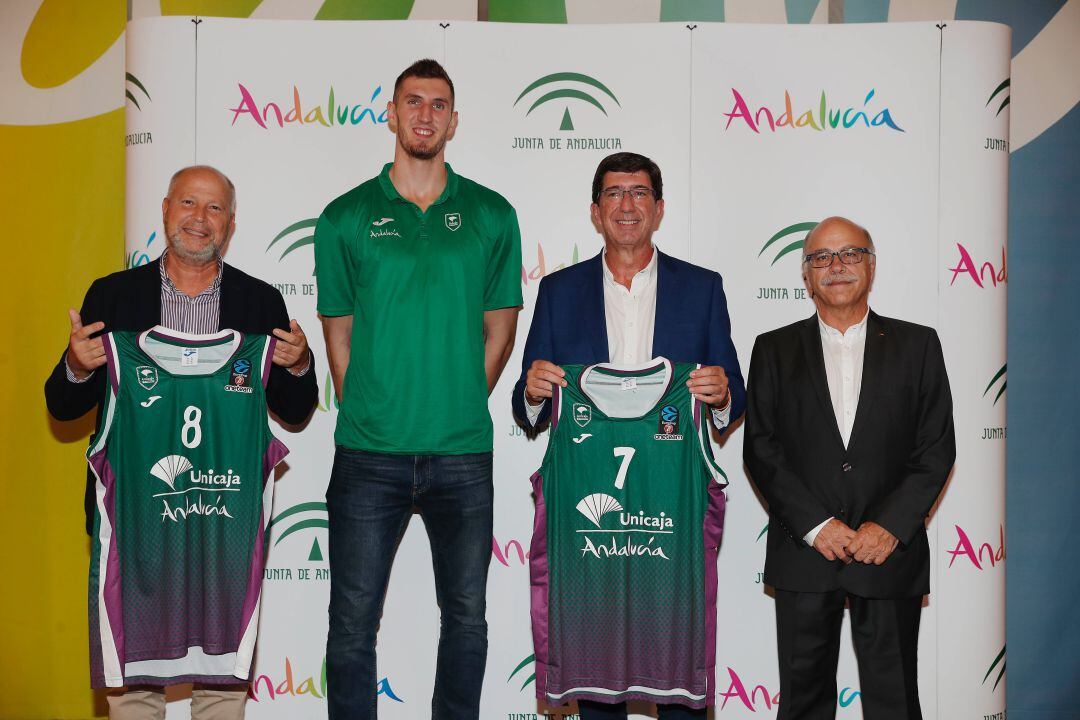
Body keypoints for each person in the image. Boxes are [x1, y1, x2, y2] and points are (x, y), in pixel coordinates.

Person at [44, 165, 317, 719]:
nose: (200, 219)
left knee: (220, 684)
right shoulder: (112, 296)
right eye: (189, 203)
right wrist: (76, 364)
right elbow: (63, 405)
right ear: (166, 209)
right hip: (137, 526)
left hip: (223, 526)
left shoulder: (260, 303)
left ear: (231, 224)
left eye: (214, 208)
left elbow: (295, 409)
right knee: (135, 687)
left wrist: (300, 363)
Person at [314, 58, 522, 719]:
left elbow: (500, 333)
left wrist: (458, 396)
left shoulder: (492, 214)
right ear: (392, 114)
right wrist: (373, 407)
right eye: (412, 102)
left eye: (437, 104)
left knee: (466, 619)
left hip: (462, 452)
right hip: (367, 454)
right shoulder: (344, 217)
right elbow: (338, 340)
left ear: (453, 120)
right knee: (350, 624)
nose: (424, 114)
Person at [512, 151, 744, 720]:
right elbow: (529, 399)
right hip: (595, 521)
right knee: (596, 683)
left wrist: (721, 395)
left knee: (679, 677)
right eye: (614, 194)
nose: (626, 205)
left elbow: (733, 386)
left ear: (659, 208)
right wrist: (534, 391)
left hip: (669, 510)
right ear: (595, 211)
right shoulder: (559, 291)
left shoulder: (702, 287)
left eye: (639, 193)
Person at [743, 216, 955, 720]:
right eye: (821, 257)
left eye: (851, 254)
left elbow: (935, 448)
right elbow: (761, 449)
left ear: (871, 265)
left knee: (894, 701)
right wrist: (817, 526)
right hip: (805, 551)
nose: (836, 266)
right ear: (806, 274)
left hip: (888, 555)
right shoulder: (772, 348)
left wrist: (889, 528)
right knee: (802, 704)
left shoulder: (918, 345)